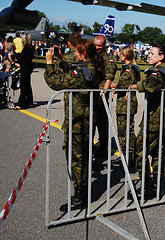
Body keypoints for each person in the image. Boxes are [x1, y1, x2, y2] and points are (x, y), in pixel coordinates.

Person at [44, 39, 105, 211]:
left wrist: (49, 63)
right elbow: (72, 71)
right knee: (81, 157)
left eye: (77, 52)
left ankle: (80, 197)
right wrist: (60, 59)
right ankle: (82, 192)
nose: (75, 54)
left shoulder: (85, 72)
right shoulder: (91, 67)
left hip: (78, 121)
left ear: (84, 53)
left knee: (77, 158)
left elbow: (55, 82)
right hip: (83, 118)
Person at [129, 44, 165, 200]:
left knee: (139, 152)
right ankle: (156, 186)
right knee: (157, 152)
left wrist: (135, 86)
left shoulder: (158, 72)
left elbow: (151, 86)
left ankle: (147, 187)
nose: (148, 56)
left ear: (161, 57)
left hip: (155, 118)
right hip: (163, 116)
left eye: (152, 53)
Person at [111, 46, 140, 167]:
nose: (118, 55)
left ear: (125, 55)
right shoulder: (128, 68)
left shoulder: (130, 69)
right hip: (123, 104)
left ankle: (130, 157)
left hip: (126, 104)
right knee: (123, 131)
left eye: (120, 54)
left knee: (126, 132)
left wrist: (112, 85)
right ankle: (125, 155)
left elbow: (123, 84)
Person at [93, 35, 117, 157]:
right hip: (91, 94)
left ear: (104, 45)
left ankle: (103, 148)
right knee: (90, 123)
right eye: (95, 45)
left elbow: (109, 77)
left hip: (101, 95)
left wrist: (103, 94)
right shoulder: (91, 55)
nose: (97, 47)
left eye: (99, 45)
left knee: (102, 124)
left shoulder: (108, 59)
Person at [13, 34, 34, 110]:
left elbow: (26, 60)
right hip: (27, 68)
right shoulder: (29, 48)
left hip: (25, 68)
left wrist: (19, 64)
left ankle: (21, 103)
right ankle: (29, 100)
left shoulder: (27, 49)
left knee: (23, 85)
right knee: (27, 85)